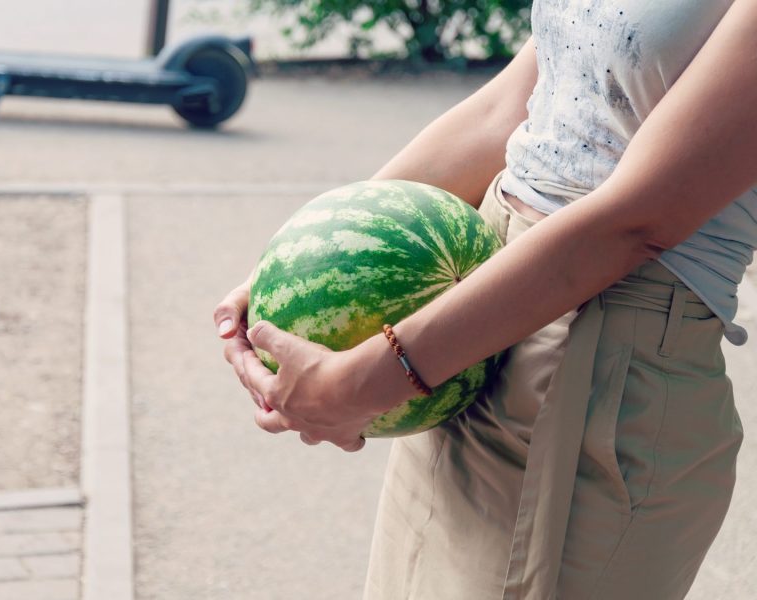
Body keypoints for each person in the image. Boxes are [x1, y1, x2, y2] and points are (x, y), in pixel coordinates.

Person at [214, 1, 757, 598]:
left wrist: (364, 382)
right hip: (470, 324)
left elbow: (638, 219)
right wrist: (306, 254)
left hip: (600, 356)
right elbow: (506, 109)